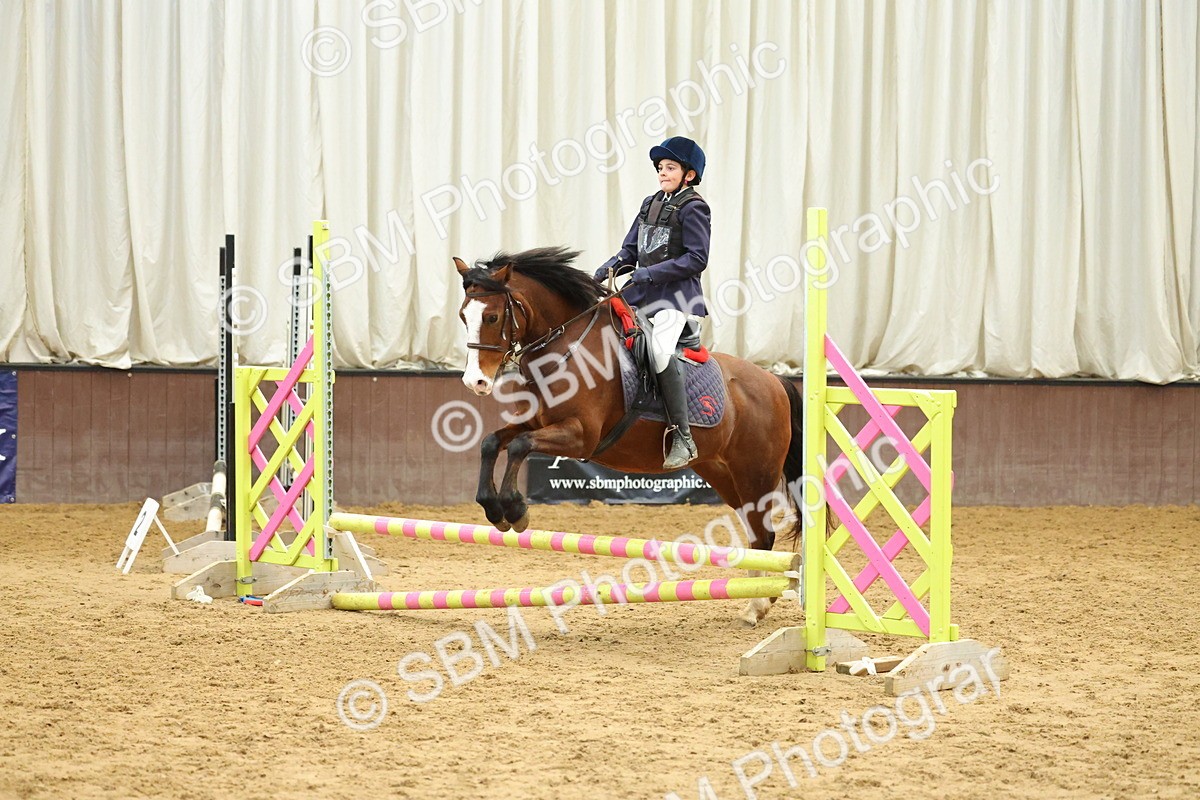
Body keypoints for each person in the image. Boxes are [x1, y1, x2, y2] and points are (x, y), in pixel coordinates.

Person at [595, 136, 710, 470]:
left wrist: (652, 273)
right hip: (642, 293)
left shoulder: (695, 208)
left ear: (688, 175)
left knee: (659, 350)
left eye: (670, 168)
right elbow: (631, 250)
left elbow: (697, 259)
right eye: (660, 168)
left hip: (677, 300)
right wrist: (610, 267)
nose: (662, 173)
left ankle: (683, 437)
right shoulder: (650, 203)